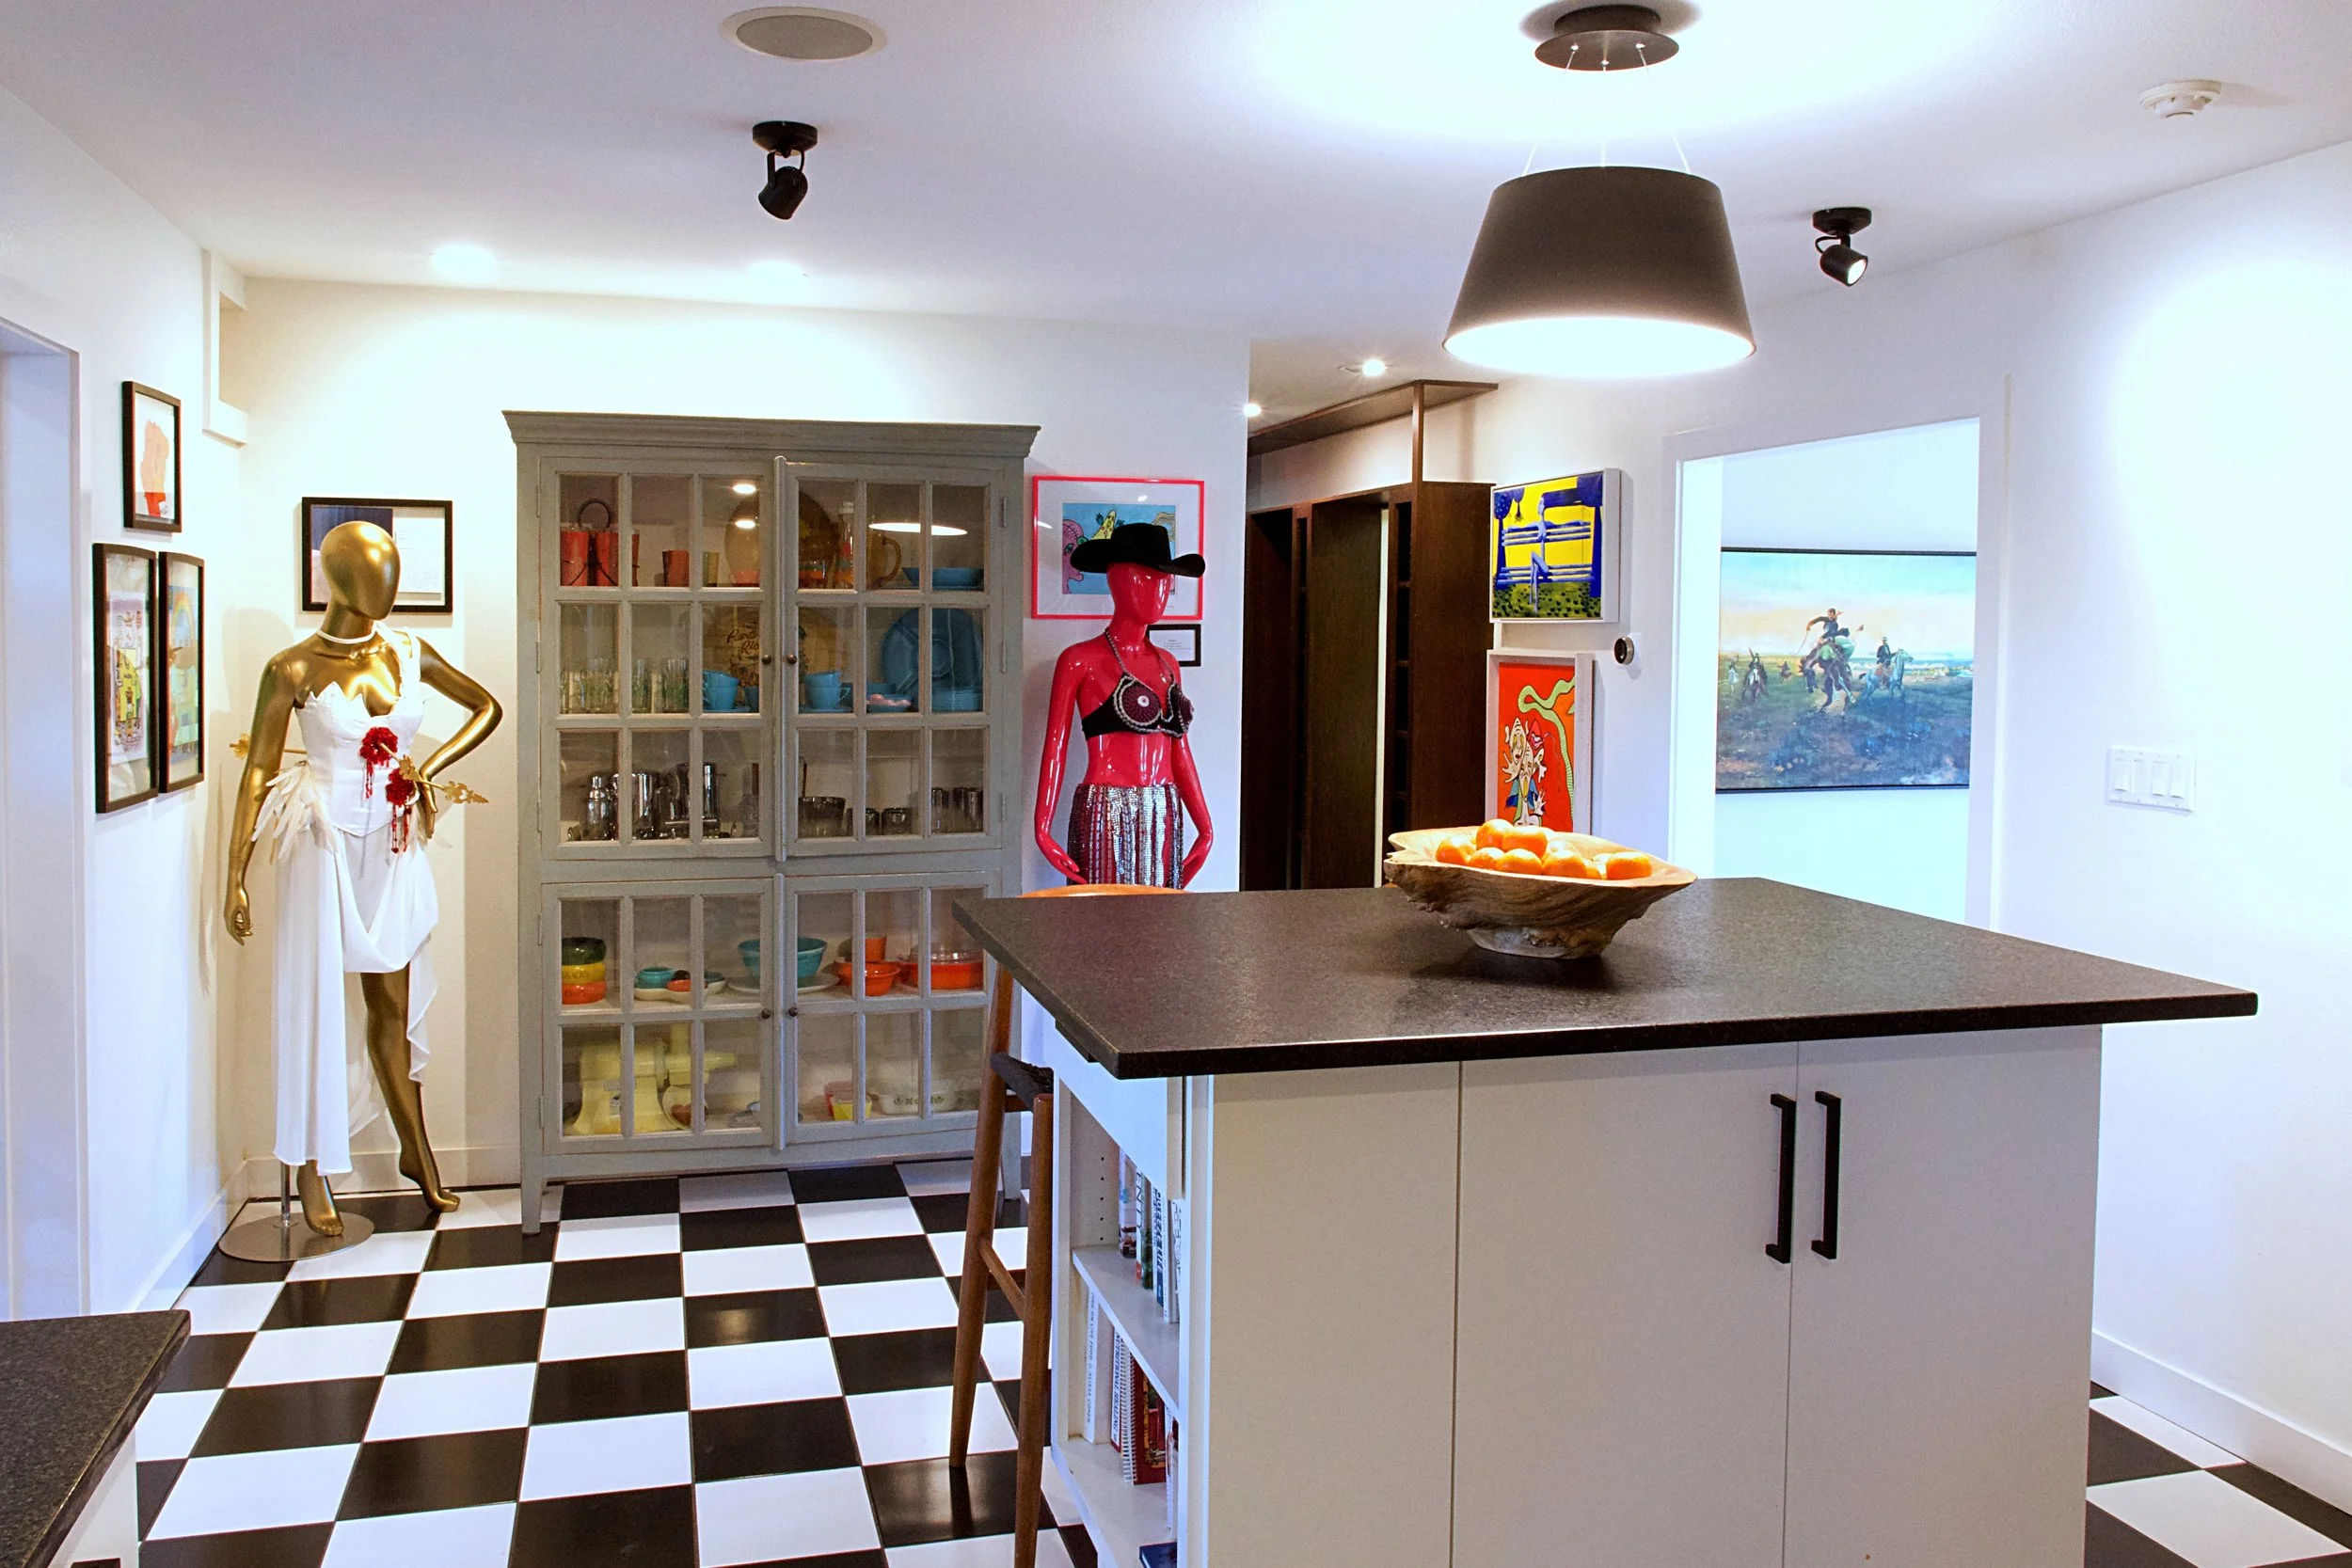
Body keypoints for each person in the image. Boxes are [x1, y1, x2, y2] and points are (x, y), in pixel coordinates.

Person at [224, 522, 501, 1234]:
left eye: (392, 572)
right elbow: (257, 769)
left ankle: (418, 1153)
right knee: (313, 1003)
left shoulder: (409, 652)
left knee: (392, 1010)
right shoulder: (290, 668)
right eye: (369, 573)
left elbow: (487, 706)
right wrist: (236, 874)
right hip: (322, 839)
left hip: (393, 845)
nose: (385, 587)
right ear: (335, 579)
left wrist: (427, 770)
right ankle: (311, 1167)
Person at [1035, 524, 1212, 887]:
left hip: (1164, 811)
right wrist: (1042, 827)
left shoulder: (1167, 663)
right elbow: (1055, 746)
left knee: (1160, 926)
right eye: (1146, 579)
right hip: (1105, 810)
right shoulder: (1079, 660)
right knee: (1103, 925)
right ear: (1117, 581)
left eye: (1165, 581)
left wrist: (1205, 827)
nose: (1159, 591)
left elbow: (1180, 750)